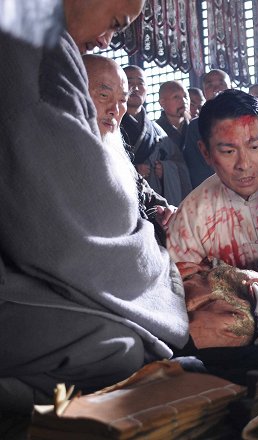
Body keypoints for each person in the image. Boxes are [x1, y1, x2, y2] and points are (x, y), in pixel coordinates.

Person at [0, 0, 188, 412]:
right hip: (37, 259)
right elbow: (76, 226)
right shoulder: (27, 33)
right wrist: (167, 278)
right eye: (116, 23)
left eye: (122, 100)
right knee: (119, 349)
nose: (106, 38)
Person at [167, 89, 258, 283]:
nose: (243, 164)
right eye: (228, 151)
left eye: (254, 147)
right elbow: (179, 288)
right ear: (205, 152)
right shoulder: (191, 217)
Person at [83, 55, 176, 245]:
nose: (115, 110)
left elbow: (149, 200)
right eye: (103, 95)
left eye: (122, 100)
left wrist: (164, 214)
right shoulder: (57, 155)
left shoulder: (115, 152)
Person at [123, 66, 191, 205]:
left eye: (140, 83)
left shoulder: (158, 131)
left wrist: (165, 170)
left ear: (147, 90)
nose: (135, 87)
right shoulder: (110, 125)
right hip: (123, 199)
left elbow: (180, 165)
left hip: (154, 203)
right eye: (129, 81)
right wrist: (132, 171)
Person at [184, 69, 232, 189]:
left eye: (221, 83)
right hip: (214, 192)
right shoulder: (196, 126)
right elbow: (195, 168)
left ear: (230, 88)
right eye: (210, 85)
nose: (216, 88)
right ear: (204, 92)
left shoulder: (247, 117)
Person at [156, 80, 190, 153]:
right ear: (162, 102)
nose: (184, 101)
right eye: (176, 97)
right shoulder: (155, 130)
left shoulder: (197, 126)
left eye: (185, 96)